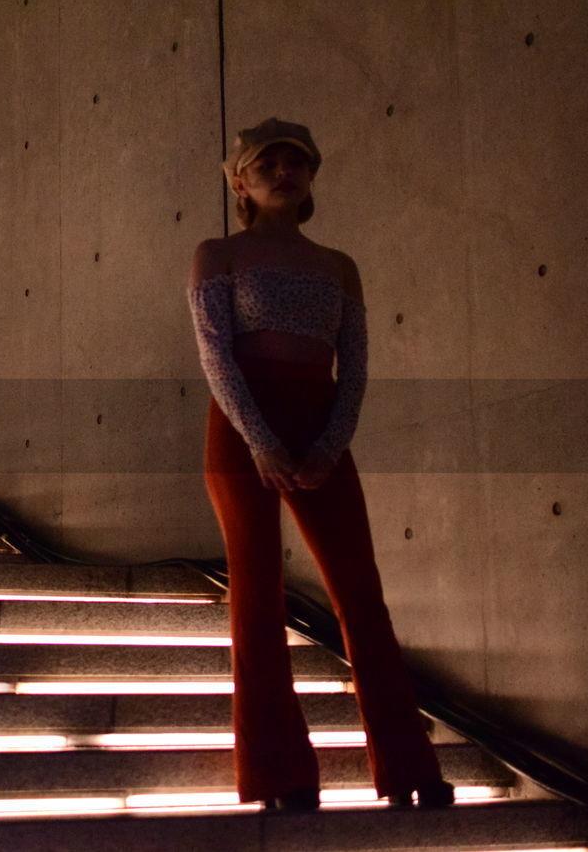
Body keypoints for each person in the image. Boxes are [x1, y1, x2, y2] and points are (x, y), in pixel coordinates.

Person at [186, 117, 455, 812]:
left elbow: (356, 367)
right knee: (256, 591)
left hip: (321, 420)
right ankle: (282, 777)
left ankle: (410, 769)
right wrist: (261, 441)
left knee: (360, 594)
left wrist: (331, 442)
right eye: (266, 163)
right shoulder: (215, 254)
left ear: (311, 177)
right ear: (239, 180)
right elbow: (216, 356)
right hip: (243, 423)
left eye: (296, 161)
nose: (284, 171)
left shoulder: (340, 266)